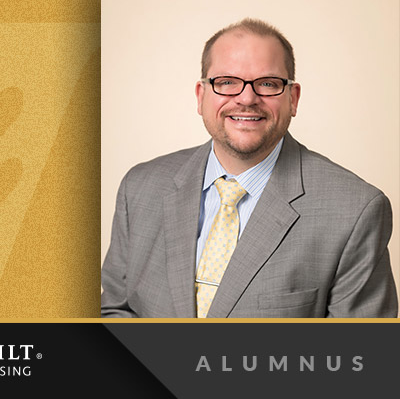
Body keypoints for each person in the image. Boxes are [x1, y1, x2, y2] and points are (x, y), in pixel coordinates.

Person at [101, 18, 398, 318]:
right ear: (201, 96)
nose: (246, 98)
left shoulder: (355, 211)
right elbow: (115, 311)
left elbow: (358, 355)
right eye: (227, 82)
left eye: (268, 84)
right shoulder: (139, 189)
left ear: (293, 99)